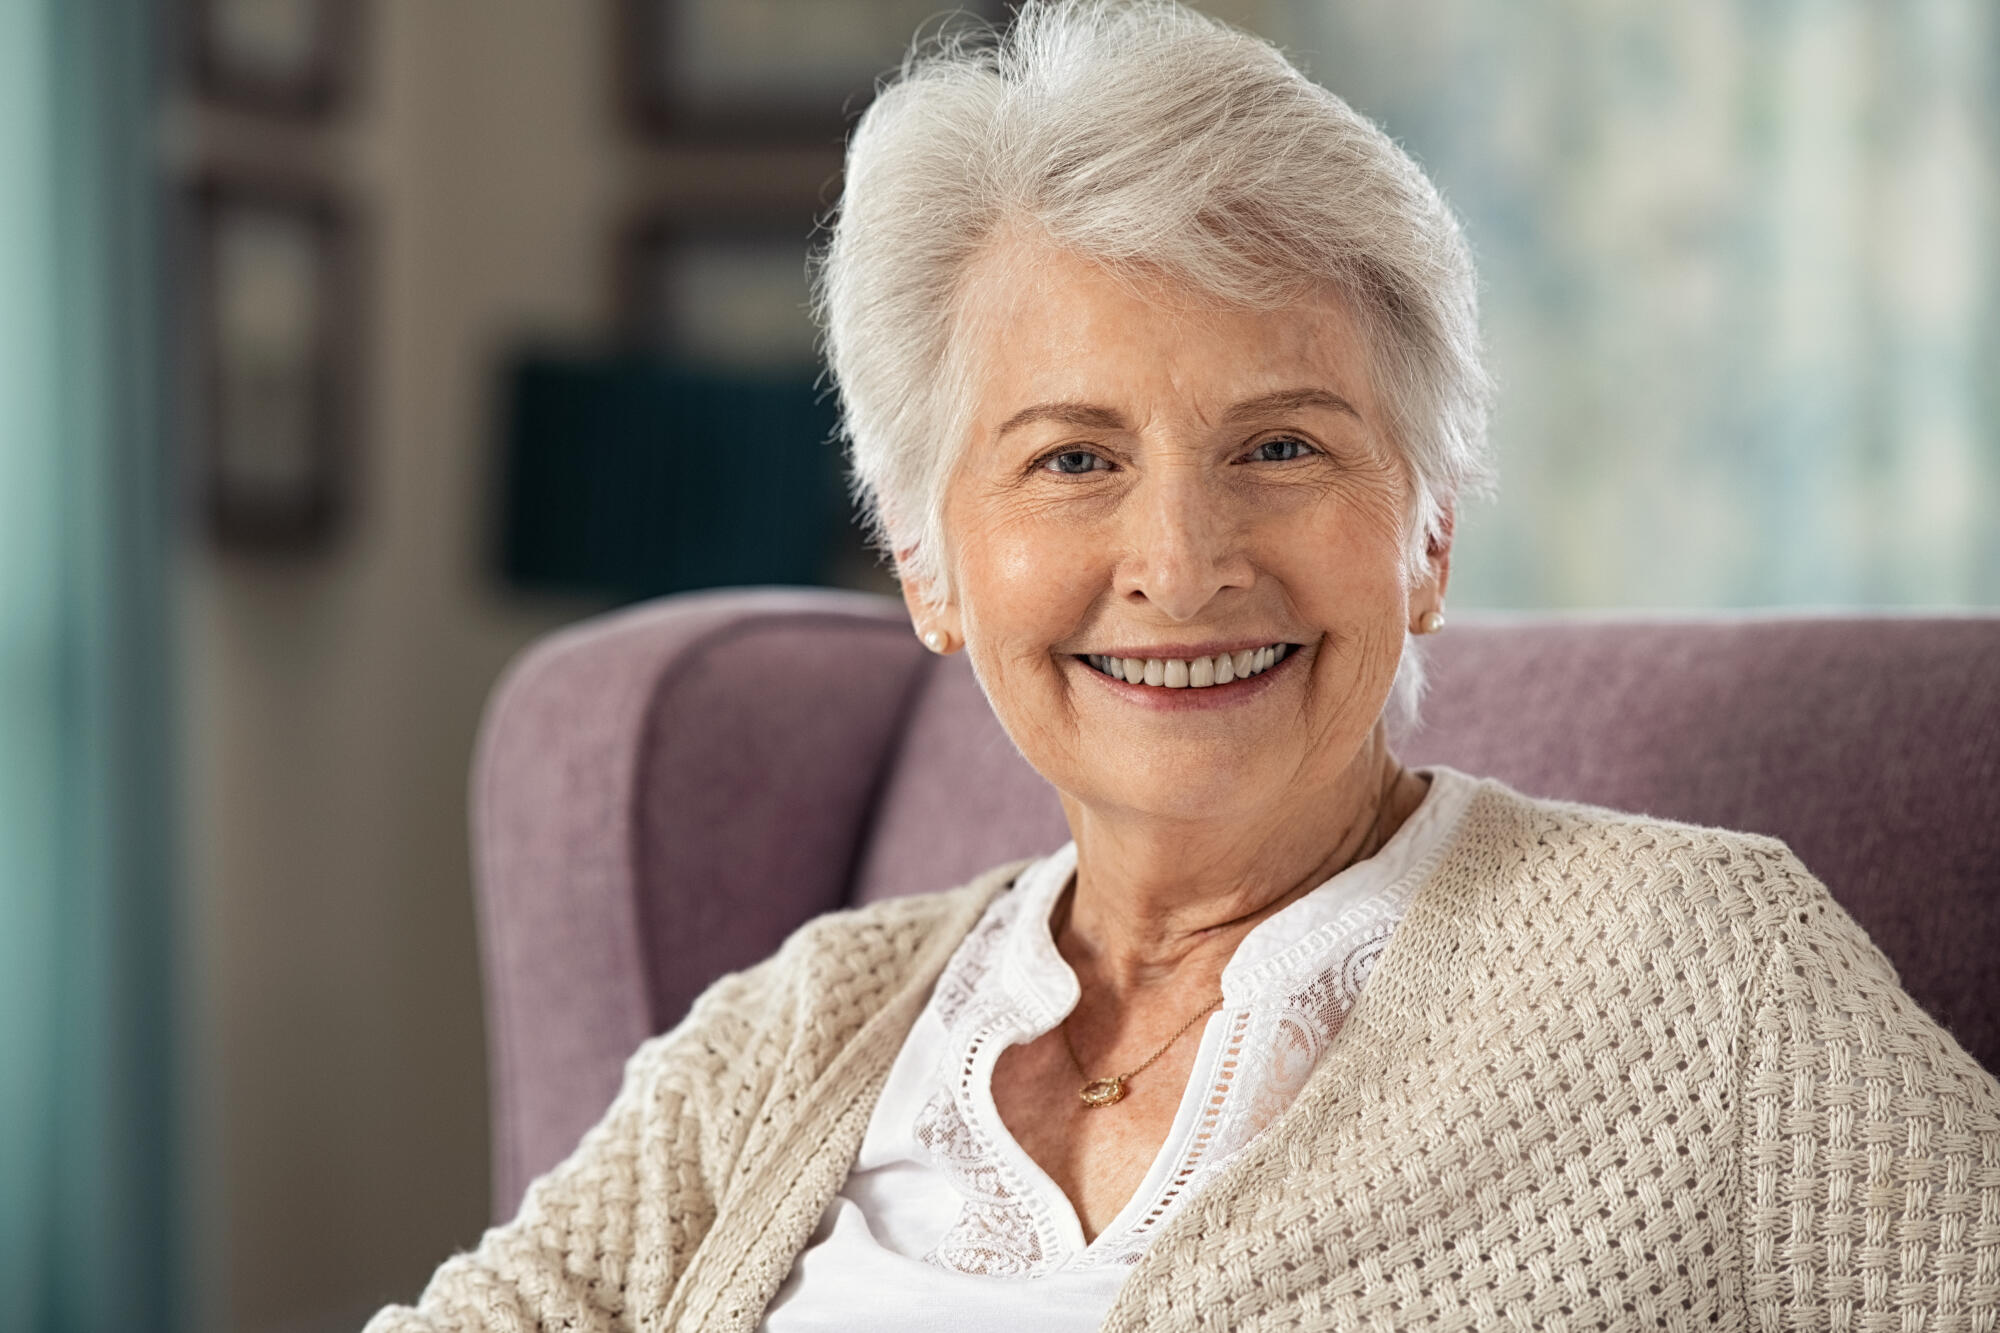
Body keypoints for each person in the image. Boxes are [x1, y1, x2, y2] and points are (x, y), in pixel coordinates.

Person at [367, 3, 2000, 1329]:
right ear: (931, 563)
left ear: (1425, 536)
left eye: (1282, 445)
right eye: (1073, 459)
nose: (1183, 561)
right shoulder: (801, 1029)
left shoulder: (1701, 978)